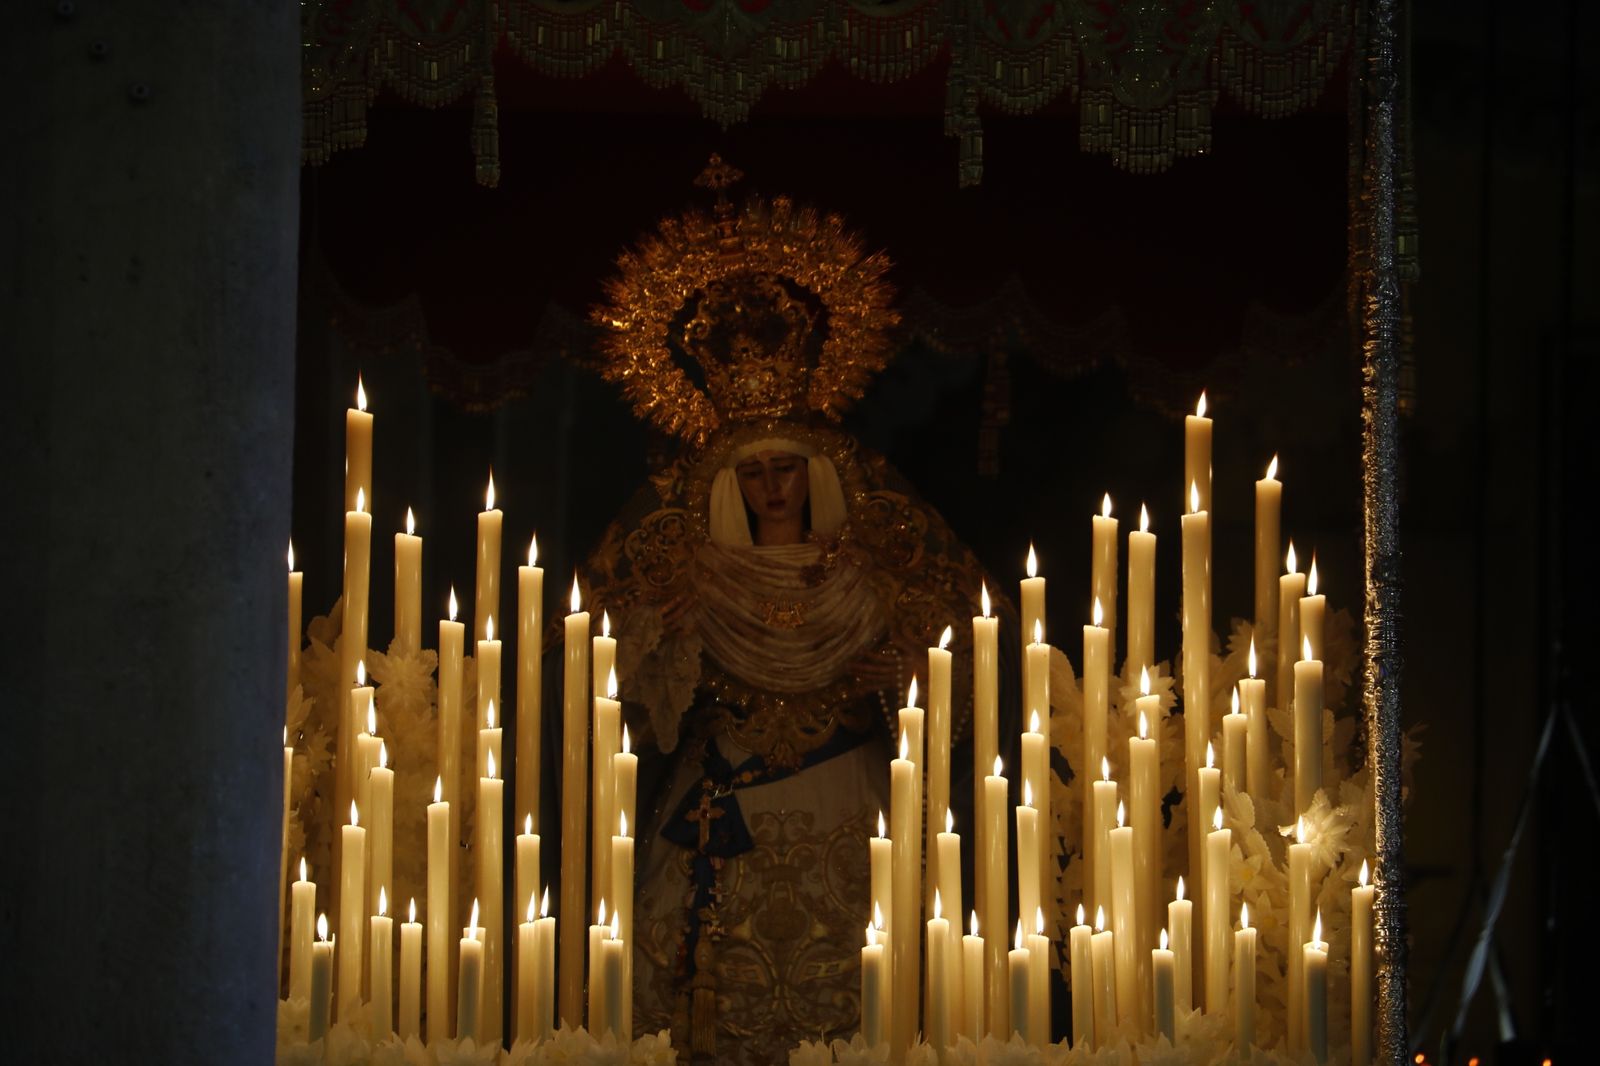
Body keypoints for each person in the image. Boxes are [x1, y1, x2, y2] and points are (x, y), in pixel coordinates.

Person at [573, 160, 1013, 1062]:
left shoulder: (871, 565)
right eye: (753, 476)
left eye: (785, 471)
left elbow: (969, 643)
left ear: (815, 478)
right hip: (724, 783)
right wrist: (662, 637)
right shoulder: (694, 570)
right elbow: (611, 670)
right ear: (729, 489)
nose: (773, 489)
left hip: (842, 787)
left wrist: (914, 681)